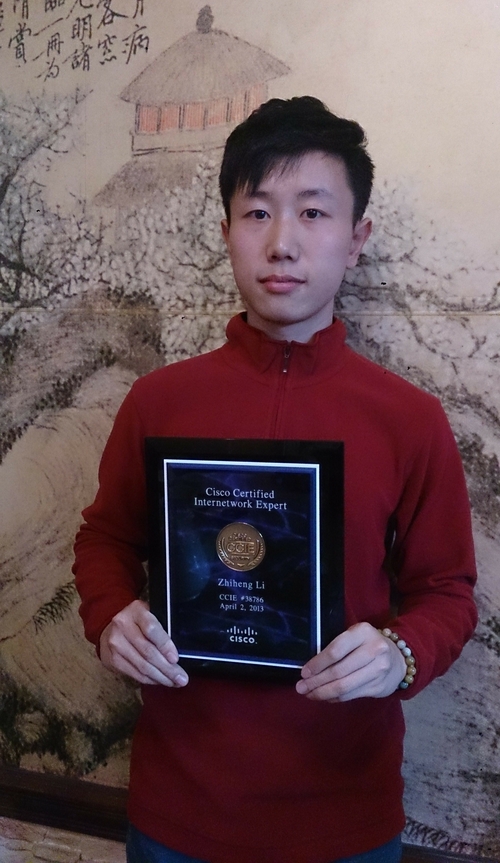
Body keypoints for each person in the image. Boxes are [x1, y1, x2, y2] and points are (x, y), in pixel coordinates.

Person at [73, 96, 477, 863]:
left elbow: (448, 590)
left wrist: (400, 652)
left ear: (357, 239)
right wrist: (110, 613)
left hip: (345, 821)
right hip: (177, 814)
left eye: (314, 213)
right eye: (257, 212)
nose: (282, 243)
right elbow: (106, 539)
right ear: (226, 229)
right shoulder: (160, 400)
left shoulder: (410, 419)